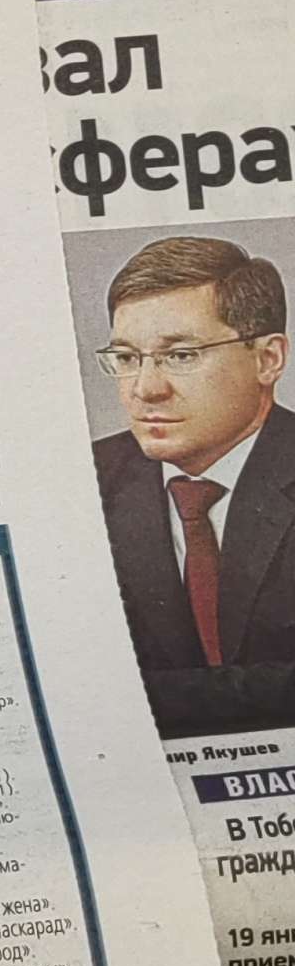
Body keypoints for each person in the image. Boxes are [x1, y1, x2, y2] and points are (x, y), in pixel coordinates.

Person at [93, 234, 295, 736]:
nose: (146, 389)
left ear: (268, 359)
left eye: (181, 355)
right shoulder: (82, 480)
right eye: (127, 358)